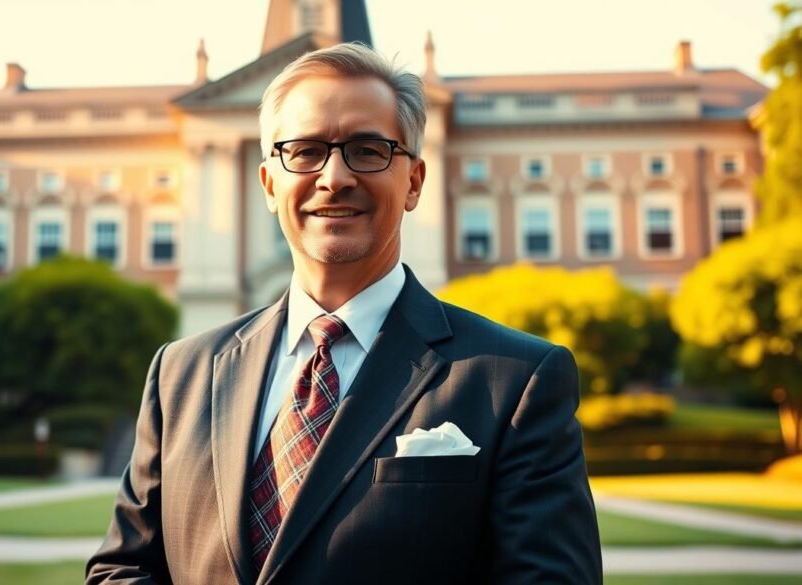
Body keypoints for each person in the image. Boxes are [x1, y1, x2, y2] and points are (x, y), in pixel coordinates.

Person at [87, 42, 602, 585]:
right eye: (305, 151)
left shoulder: (515, 379)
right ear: (268, 183)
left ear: (414, 181)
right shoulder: (180, 374)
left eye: (367, 149)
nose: (334, 177)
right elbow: (122, 569)